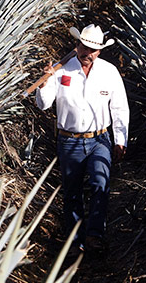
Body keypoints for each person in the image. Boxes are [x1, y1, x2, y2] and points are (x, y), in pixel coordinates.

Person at [36, 24, 130, 254]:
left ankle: (94, 236)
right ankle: (75, 241)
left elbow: (119, 107)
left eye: (93, 50)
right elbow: (43, 104)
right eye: (84, 47)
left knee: (100, 184)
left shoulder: (109, 72)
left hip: (100, 139)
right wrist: (46, 81)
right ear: (77, 45)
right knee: (72, 191)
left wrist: (121, 140)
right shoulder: (61, 70)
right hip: (69, 141)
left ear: (99, 52)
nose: (87, 53)